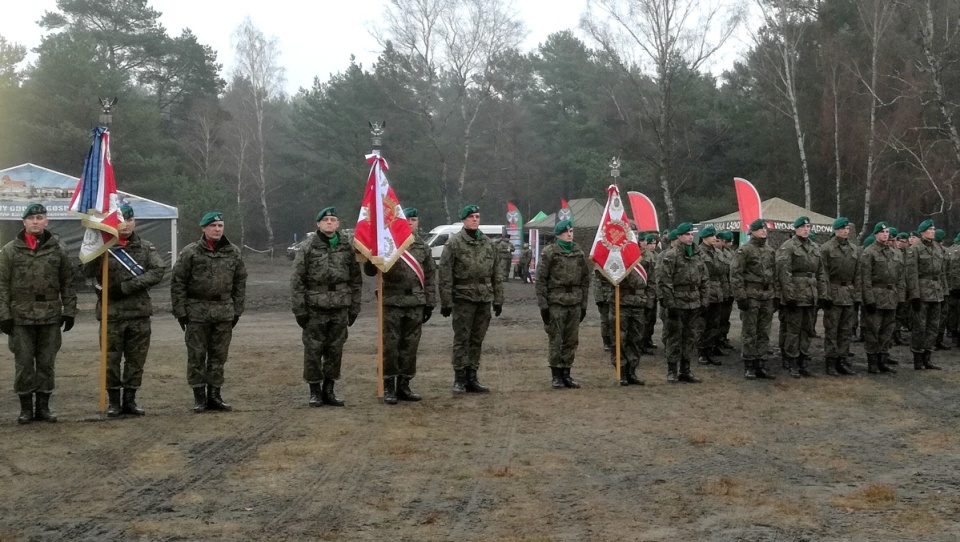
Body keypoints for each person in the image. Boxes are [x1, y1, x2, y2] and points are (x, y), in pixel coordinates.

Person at [83, 204, 167, 417]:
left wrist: (127, 287)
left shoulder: (146, 247)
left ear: (134, 222)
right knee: (110, 360)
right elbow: (87, 271)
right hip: (111, 314)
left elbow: (158, 271)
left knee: (136, 360)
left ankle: (130, 399)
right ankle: (113, 402)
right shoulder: (103, 247)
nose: (126, 224)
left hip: (138, 313)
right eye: (121, 220)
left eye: (129, 220)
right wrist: (96, 248)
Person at [0, 203, 76, 424]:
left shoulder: (58, 250)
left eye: (40, 217)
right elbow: (2, 284)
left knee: (46, 362)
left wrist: (69, 311)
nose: (36, 221)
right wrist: (3, 314)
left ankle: (43, 406)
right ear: (24, 222)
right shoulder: (9, 251)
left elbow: (68, 283)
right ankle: (25, 408)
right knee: (24, 363)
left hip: (50, 316)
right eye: (31, 218)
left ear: (46, 221)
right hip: (20, 317)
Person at [171, 212, 247, 413]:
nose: (217, 229)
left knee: (218, 355)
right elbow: (178, 282)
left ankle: (215, 395)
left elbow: (240, 282)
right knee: (196, 355)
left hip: (223, 311)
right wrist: (181, 312)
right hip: (197, 311)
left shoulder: (233, 252)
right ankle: (199, 397)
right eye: (213, 225)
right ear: (203, 228)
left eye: (220, 225)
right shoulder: (190, 252)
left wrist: (237, 310)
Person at [362, 207, 434, 404]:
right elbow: (369, 271)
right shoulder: (387, 244)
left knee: (410, 346)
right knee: (390, 346)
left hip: (416, 303)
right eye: (407, 219)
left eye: (413, 219)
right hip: (392, 301)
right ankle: (388, 386)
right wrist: (372, 252)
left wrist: (430, 302)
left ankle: (405, 385)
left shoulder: (423, 247)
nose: (410, 222)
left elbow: (429, 276)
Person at [291, 207, 362, 407]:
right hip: (315, 306)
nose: (330, 223)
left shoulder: (347, 247)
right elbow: (297, 281)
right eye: (326, 220)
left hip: (340, 306)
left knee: (335, 349)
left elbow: (356, 280)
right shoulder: (307, 248)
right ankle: (314, 390)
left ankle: (329, 389)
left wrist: (354, 307)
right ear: (319, 224)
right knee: (313, 350)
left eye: (333, 220)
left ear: (338, 224)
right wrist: (300, 310)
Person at [439, 205, 504, 393]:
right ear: (464, 220)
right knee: (462, 339)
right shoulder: (455, 243)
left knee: (477, 339)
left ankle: (472, 376)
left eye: (477, 216)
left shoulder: (488, 243)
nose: (475, 219)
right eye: (471, 217)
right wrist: (446, 302)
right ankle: (459, 377)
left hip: (484, 297)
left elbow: (497, 273)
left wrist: (498, 298)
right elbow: (445, 274)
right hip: (463, 298)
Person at [535, 220, 591, 389]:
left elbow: (585, 279)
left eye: (571, 231)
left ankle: (567, 372)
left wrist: (583, 305)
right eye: (566, 232)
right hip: (556, 302)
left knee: (571, 339)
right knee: (556, 339)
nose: (569, 234)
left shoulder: (578, 252)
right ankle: (556, 375)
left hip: (574, 301)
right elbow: (540, 280)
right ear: (558, 234)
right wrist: (543, 305)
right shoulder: (550, 252)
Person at [776, 216, 826, 377]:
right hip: (796, 296)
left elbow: (821, 272)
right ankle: (791, 360)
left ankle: (803, 359)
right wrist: (789, 296)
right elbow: (784, 273)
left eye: (808, 227)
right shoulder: (788, 247)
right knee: (793, 330)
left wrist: (822, 294)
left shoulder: (815, 247)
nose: (806, 229)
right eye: (803, 227)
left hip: (811, 295)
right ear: (796, 229)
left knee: (807, 329)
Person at [656, 222, 706, 383]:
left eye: (692, 234)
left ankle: (686, 370)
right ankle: (672, 370)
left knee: (690, 337)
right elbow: (665, 281)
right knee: (674, 337)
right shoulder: (671, 255)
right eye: (687, 234)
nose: (690, 237)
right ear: (679, 237)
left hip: (694, 302)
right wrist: (670, 303)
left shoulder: (698, 254)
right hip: (678, 301)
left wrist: (704, 301)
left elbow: (705, 279)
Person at [730, 219, 778, 380]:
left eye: (765, 229)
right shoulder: (744, 251)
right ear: (753, 232)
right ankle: (749, 364)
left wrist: (775, 295)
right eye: (760, 229)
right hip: (751, 296)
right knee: (750, 332)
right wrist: (741, 296)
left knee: (764, 331)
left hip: (767, 296)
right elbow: (736, 275)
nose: (764, 231)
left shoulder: (770, 251)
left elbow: (775, 275)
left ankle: (761, 363)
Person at [818, 217, 860, 376]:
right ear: (836, 230)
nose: (846, 231)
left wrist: (857, 297)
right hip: (834, 294)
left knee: (846, 330)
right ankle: (830, 361)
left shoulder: (854, 249)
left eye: (847, 228)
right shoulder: (826, 249)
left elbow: (858, 275)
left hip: (848, 293)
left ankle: (842, 360)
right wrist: (825, 295)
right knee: (832, 330)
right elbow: (823, 274)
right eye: (842, 228)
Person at [860, 222, 902, 374]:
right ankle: (872, 363)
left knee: (887, 330)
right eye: (882, 232)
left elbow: (900, 277)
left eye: (887, 232)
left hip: (891, 296)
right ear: (876, 234)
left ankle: (882, 360)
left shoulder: (895, 253)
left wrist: (901, 297)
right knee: (872, 330)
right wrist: (869, 299)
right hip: (876, 296)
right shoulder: (869, 252)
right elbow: (865, 279)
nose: (885, 234)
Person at [905, 219, 946, 370]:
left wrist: (944, 292)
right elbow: (911, 274)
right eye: (930, 229)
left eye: (934, 229)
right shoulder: (915, 249)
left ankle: (927, 357)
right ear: (922, 232)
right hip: (922, 292)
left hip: (936, 292)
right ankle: (917, 357)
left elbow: (942, 273)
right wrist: (914, 295)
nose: (933, 231)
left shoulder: (937, 248)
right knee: (919, 326)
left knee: (933, 326)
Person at [696, 226, 725, 366]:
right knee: (702, 324)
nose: (715, 238)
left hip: (717, 292)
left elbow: (723, 273)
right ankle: (701, 351)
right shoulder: (698, 252)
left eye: (715, 236)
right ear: (704, 238)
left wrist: (725, 292)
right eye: (711, 236)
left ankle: (709, 351)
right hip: (705, 292)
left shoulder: (718, 252)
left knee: (714, 324)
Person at [640, 234, 660, 353]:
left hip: (654, 291)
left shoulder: (656, 256)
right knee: (645, 319)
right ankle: (642, 343)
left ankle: (648, 339)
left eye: (654, 244)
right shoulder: (643, 257)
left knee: (652, 319)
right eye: (650, 243)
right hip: (646, 292)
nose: (652, 246)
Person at [594, 271, 615, 351]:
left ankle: (615, 340)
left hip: (616, 296)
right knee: (606, 321)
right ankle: (607, 341)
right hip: (605, 298)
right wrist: (599, 299)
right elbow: (596, 281)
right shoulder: (601, 263)